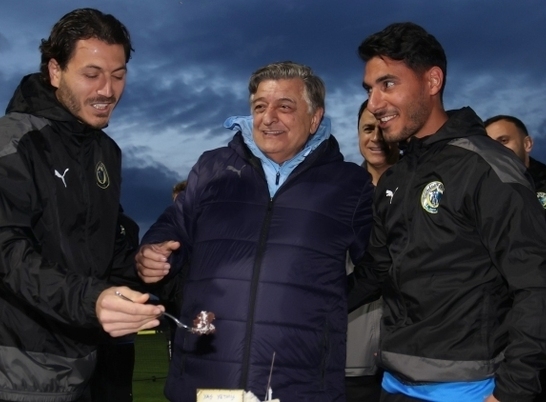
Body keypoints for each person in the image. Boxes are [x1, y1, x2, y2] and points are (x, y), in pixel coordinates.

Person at [136, 61, 375, 401]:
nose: (268, 118)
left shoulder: (349, 185)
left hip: (299, 385)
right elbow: (173, 226)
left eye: (285, 107)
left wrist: (324, 305)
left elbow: (380, 265)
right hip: (206, 378)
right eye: (260, 106)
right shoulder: (212, 168)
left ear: (315, 117)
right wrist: (153, 252)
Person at [348, 22, 546, 402]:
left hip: (471, 388)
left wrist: (513, 391)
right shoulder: (396, 178)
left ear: (432, 81)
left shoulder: (485, 168)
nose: (374, 103)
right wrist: (307, 304)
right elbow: (375, 272)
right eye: (369, 89)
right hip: (393, 384)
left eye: (388, 84)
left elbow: (535, 283)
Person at [0, 8, 164, 402]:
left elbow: (105, 251)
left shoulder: (106, 151)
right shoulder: (13, 142)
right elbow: (6, 251)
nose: (108, 90)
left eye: (118, 75)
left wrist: (146, 264)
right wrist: (92, 301)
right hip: (19, 374)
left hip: (91, 368)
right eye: (92, 74)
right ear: (55, 71)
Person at [345, 100, 399, 402]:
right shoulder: (340, 192)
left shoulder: (423, 188)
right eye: (367, 129)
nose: (375, 138)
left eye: (382, 128)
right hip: (351, 356)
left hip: (407, 354)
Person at [484, 115, 546, 209]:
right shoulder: (477, 192)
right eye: (489, 145)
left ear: (527, 144)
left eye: (503, 141)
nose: (496, 149)